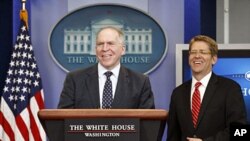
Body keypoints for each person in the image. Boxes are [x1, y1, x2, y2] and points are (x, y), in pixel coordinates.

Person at [167, 35, 247, 141]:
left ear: (214, 59)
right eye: (193, 52)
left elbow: (240, 131)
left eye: (203, 52)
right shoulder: (178, 93)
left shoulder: (230, 89)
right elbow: (173, 135)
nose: (197, 56)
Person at [57, 26, 155, 109]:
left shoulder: (140, 82)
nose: (105, 49)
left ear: (123, 50)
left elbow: (148, 124)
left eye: (110, 43)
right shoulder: (75, 79)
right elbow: (63, 120)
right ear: (96, 50)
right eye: (100, 44)